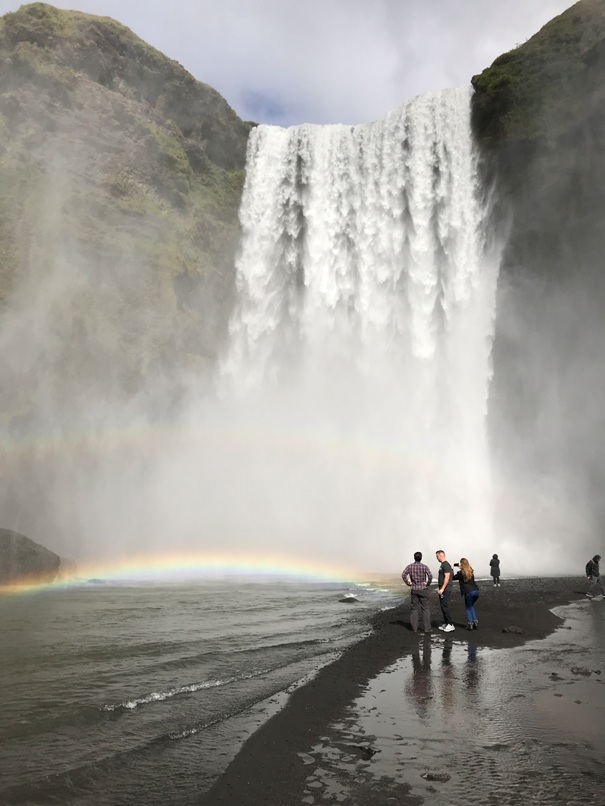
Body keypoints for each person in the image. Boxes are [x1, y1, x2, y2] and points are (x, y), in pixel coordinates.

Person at [402, 551, 433, 633]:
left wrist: (408, 583)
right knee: (425, 609)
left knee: (414, 609)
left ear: (414, 558)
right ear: (421, 558)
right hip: (423, 589)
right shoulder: (424, 566)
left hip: (414, 589)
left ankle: (414, 628)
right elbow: (430, 576)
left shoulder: (410, 566)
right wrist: (428, 583)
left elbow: (403, 574)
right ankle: (427, 628)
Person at [452, 557, 480, 630]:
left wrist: (452, 568)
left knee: (468, 608)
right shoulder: (471, 572)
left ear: (461, 564)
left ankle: (470, 623)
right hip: (476, 590)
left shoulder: (461, 573)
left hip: (468, 591)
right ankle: (475, 622)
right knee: (471, 606)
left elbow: (452, 577)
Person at [435, 549, 455, 632]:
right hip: (443, 589)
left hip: (445, 589)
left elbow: (447, 577)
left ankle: (450, 624)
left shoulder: (446, 565)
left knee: (444, 606)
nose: (436, 558)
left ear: (440, 555)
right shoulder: (443, 565)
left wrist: (442, 589)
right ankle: (447, 623)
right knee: (443, 606)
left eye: (437, 556)